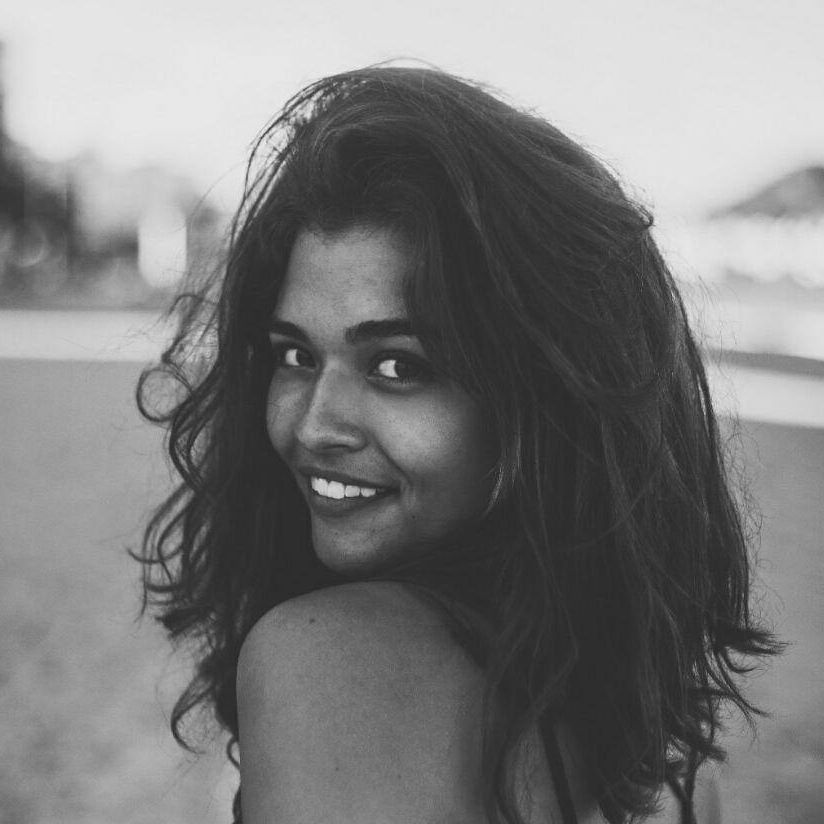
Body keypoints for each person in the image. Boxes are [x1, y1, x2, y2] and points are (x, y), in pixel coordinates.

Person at [136, 66, 778, 824]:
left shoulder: (326, 662)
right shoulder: (668, 755)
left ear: (541, 399)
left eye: (396, 366)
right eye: (296, 355)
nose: (313, 426)